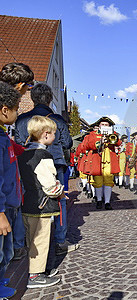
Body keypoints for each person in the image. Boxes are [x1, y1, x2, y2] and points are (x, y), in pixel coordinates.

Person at [14, 83, 76, 256]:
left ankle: (20, 244)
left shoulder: (21, 119)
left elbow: (19, 143)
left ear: (33, 98)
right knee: (60, 199)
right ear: (49, 99)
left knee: (25, 199)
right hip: (54, 162)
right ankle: (60, 241)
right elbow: (67, 143)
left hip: (28, 164)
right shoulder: (56, 119)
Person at [17, 116, 62, 288]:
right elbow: (50, 185)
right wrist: (59, 191)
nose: (55, 137)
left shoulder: (24, 154)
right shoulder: (43, 155)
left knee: (32, 239)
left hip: (28, 201)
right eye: (54, 133)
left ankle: (41, 269)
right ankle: (35, 275)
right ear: (45, 135)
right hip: (42, 204)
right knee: (41, 240)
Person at [0, 82, 23, 298]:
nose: (18, 113)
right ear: (5, 110)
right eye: (16, 108)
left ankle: (0, 278)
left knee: (6, 251)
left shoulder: (2, 135)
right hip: (2, 207)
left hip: (9, 203)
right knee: (0, 252)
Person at [84, 117, 121, 210]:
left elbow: (118, 143)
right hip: (97, 160)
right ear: (99, 125)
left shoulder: (114, 134)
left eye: (106, 125)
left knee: (108, 181)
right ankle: (99, 200)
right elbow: (88, 145)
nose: (104, 126)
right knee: (98, 181)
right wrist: (100, 141)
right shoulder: (93, 134)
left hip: (109, 161)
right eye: (103, 124)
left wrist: (111, 136)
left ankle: (107, 202)